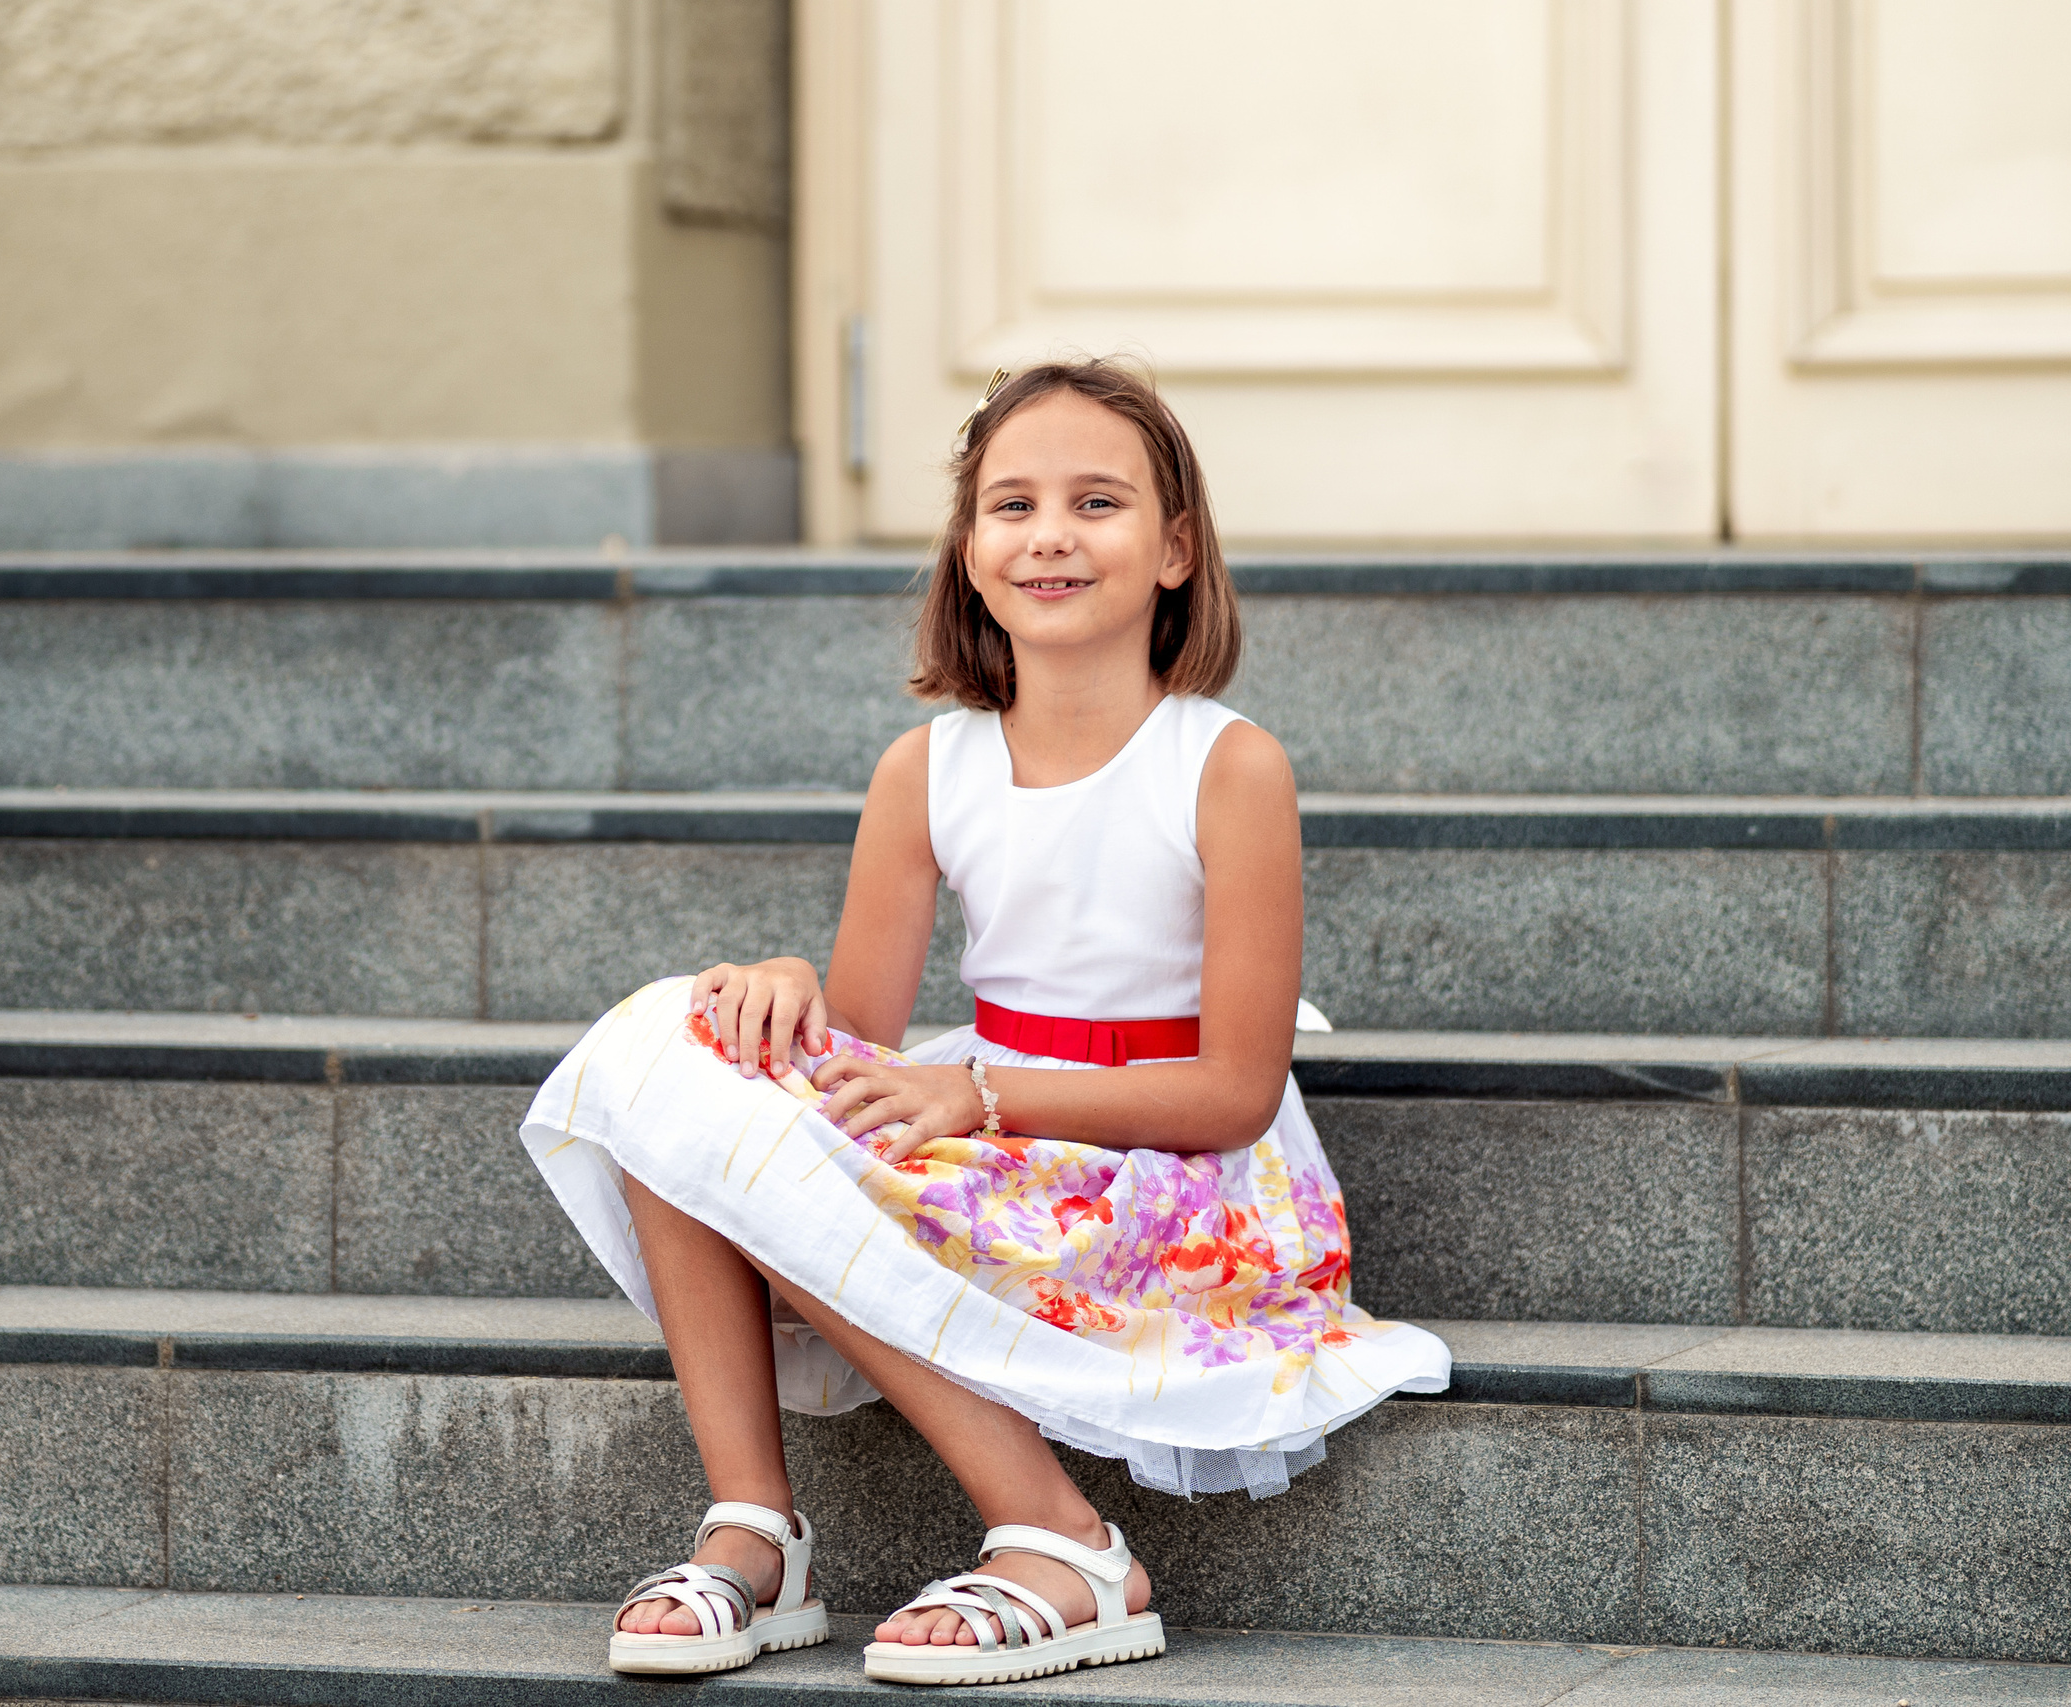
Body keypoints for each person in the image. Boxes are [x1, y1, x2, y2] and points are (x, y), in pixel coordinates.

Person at [521, 358, 1450, 1687]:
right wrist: (777, 988)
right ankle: (755, 1530)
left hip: (1173, 1182)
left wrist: (990, 1098)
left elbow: (1235, 1090)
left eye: (1097, 503)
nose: (1051, 536)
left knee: (764, 1154)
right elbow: (849, 1044)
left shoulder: (1224, 766)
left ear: (1176, 549)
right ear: (969, 549)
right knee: (684, 1062)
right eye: (1011, 505)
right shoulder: (930, 768)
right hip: (992, 1123)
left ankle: (1065, 1542)